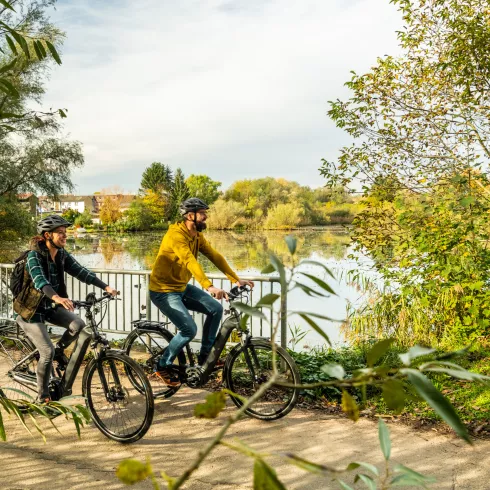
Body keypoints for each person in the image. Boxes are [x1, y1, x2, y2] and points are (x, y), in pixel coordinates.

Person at [149, 197, 254, 386]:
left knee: (215, 309)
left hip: (181, 287)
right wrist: (209, 286)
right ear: (191, 215)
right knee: (189, 330)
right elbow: (190, 261)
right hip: (163, 291)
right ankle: (162, 365)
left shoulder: (196, 236)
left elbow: (214, 255)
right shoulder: (176, 236)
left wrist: (235, 279)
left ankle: (205, 358)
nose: (206, 217)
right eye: (203, 214)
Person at [13, 215, 118, 403]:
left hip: (49, 306)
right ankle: (42, 396)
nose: (64, 236)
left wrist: (106, 287)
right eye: (60, 233)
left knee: (78, 324)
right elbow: (40, 282)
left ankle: (59, 352)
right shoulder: (34, 255)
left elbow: (81, 272)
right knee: (47, 352)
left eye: (65, 233)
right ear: (47, 235)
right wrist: (57, 297)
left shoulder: (61, 254)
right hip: (30, 311)